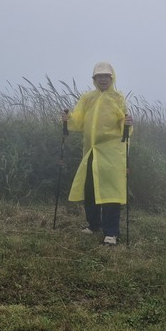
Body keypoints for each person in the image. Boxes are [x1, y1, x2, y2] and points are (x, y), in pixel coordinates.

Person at [61, 62, 133, 246]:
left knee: (110, 191)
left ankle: (111, 233)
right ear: (94, 79)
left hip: (112, 152)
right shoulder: (87, 98)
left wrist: (127, 123)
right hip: (91, 151)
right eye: (99, 76)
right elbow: (79, 120)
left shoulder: (118, 98)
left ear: (112, 78)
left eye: (106, 76)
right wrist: (68, 118)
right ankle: (93, 225)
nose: (103, 79)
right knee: (90, 188)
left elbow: (123, 125)